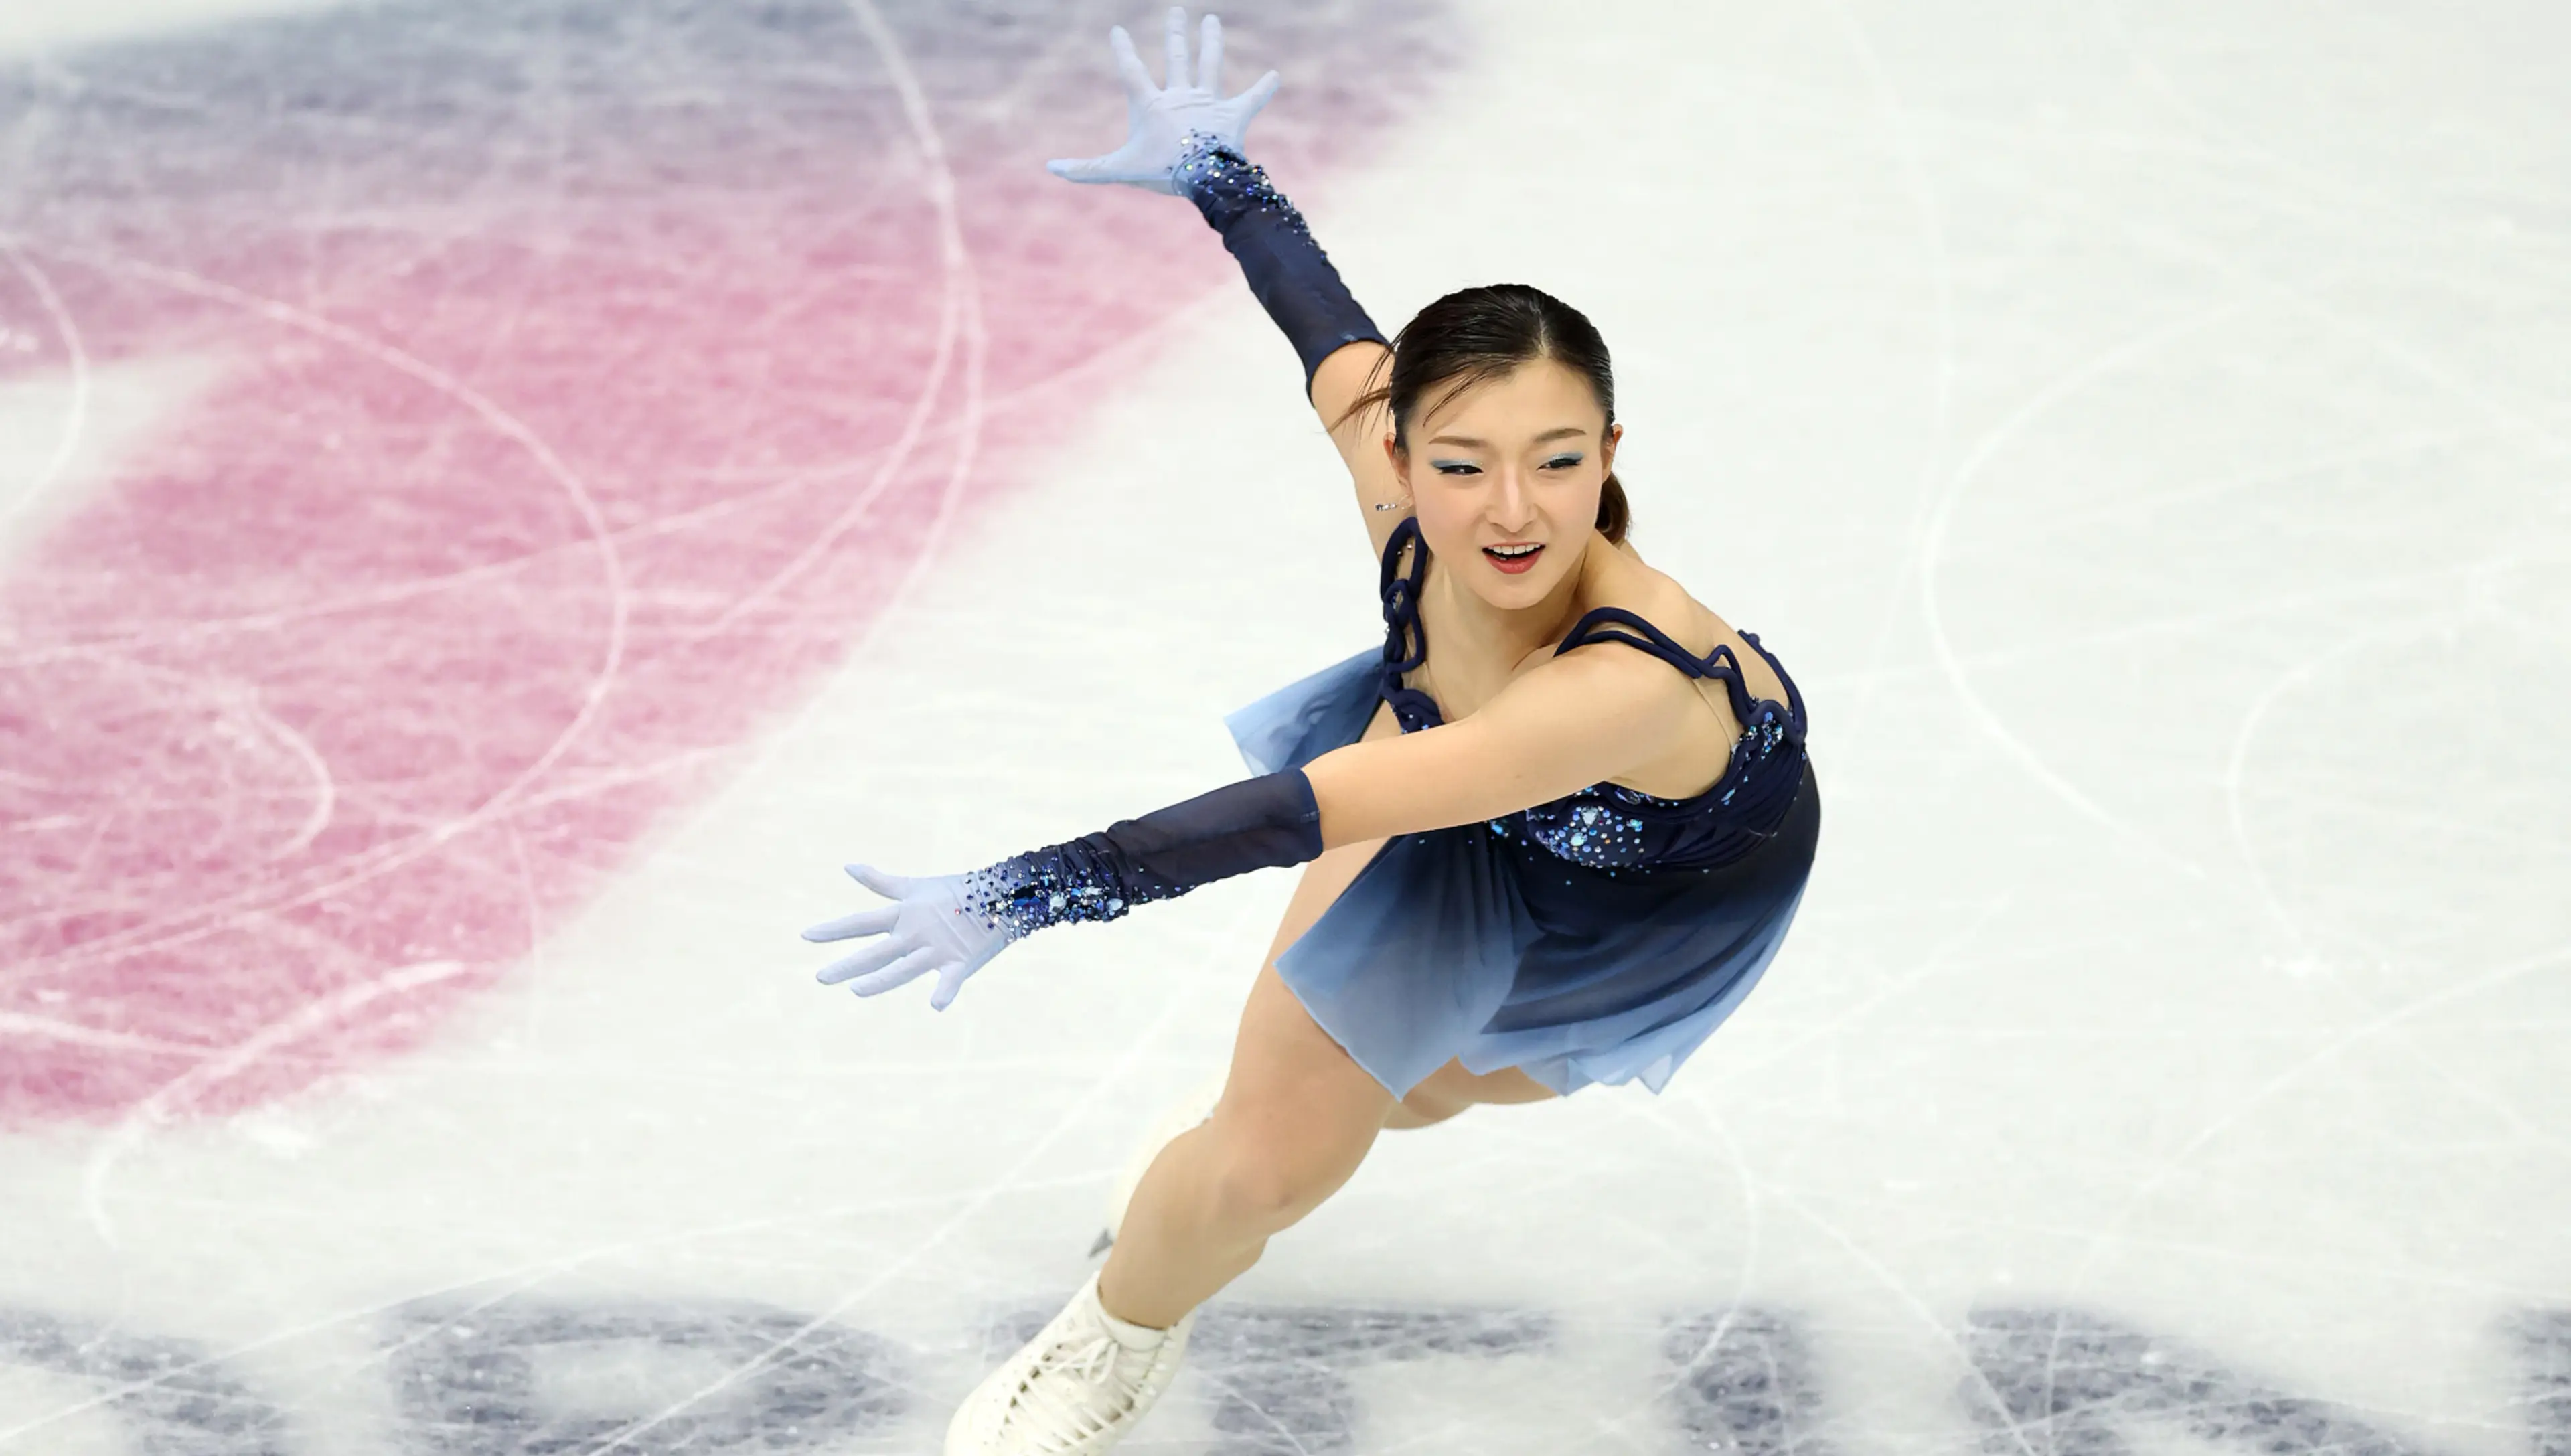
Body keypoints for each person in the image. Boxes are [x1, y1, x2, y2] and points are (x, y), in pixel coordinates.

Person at [801, 9, 1820, 1453]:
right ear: (1399, 452)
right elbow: (1332, 335)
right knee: (1265, 1175)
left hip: (1662, 898)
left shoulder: (1628, 682)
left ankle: (1288, 1110)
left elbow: (1299, 810)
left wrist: (1025, 888)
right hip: (1441, 798)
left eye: (1559, 462)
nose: (1512, 512)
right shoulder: (1400, 487)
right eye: (1460, 463)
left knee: (1430, 1088)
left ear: (1610, 454)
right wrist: (1225, 176)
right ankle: (1112, 1337)